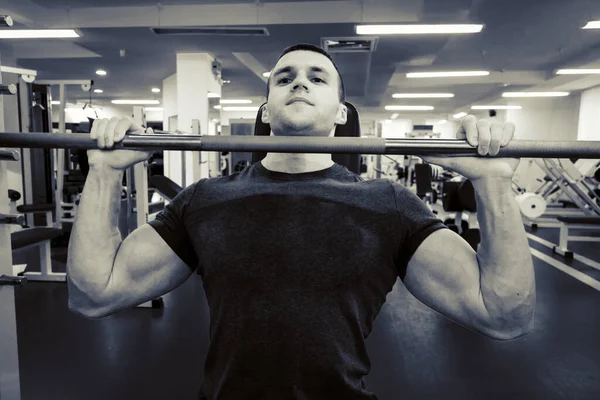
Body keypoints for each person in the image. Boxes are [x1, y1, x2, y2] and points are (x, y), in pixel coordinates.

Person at [66, 43, 536, 400]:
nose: (299, 83)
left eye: (317, 78)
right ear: (267, 110)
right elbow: (94, 293)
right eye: (284, 77)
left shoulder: (387, 204)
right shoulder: (207, 201)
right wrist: (104, 170)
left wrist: (493, 182)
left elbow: (502, 315)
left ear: (342, 112)